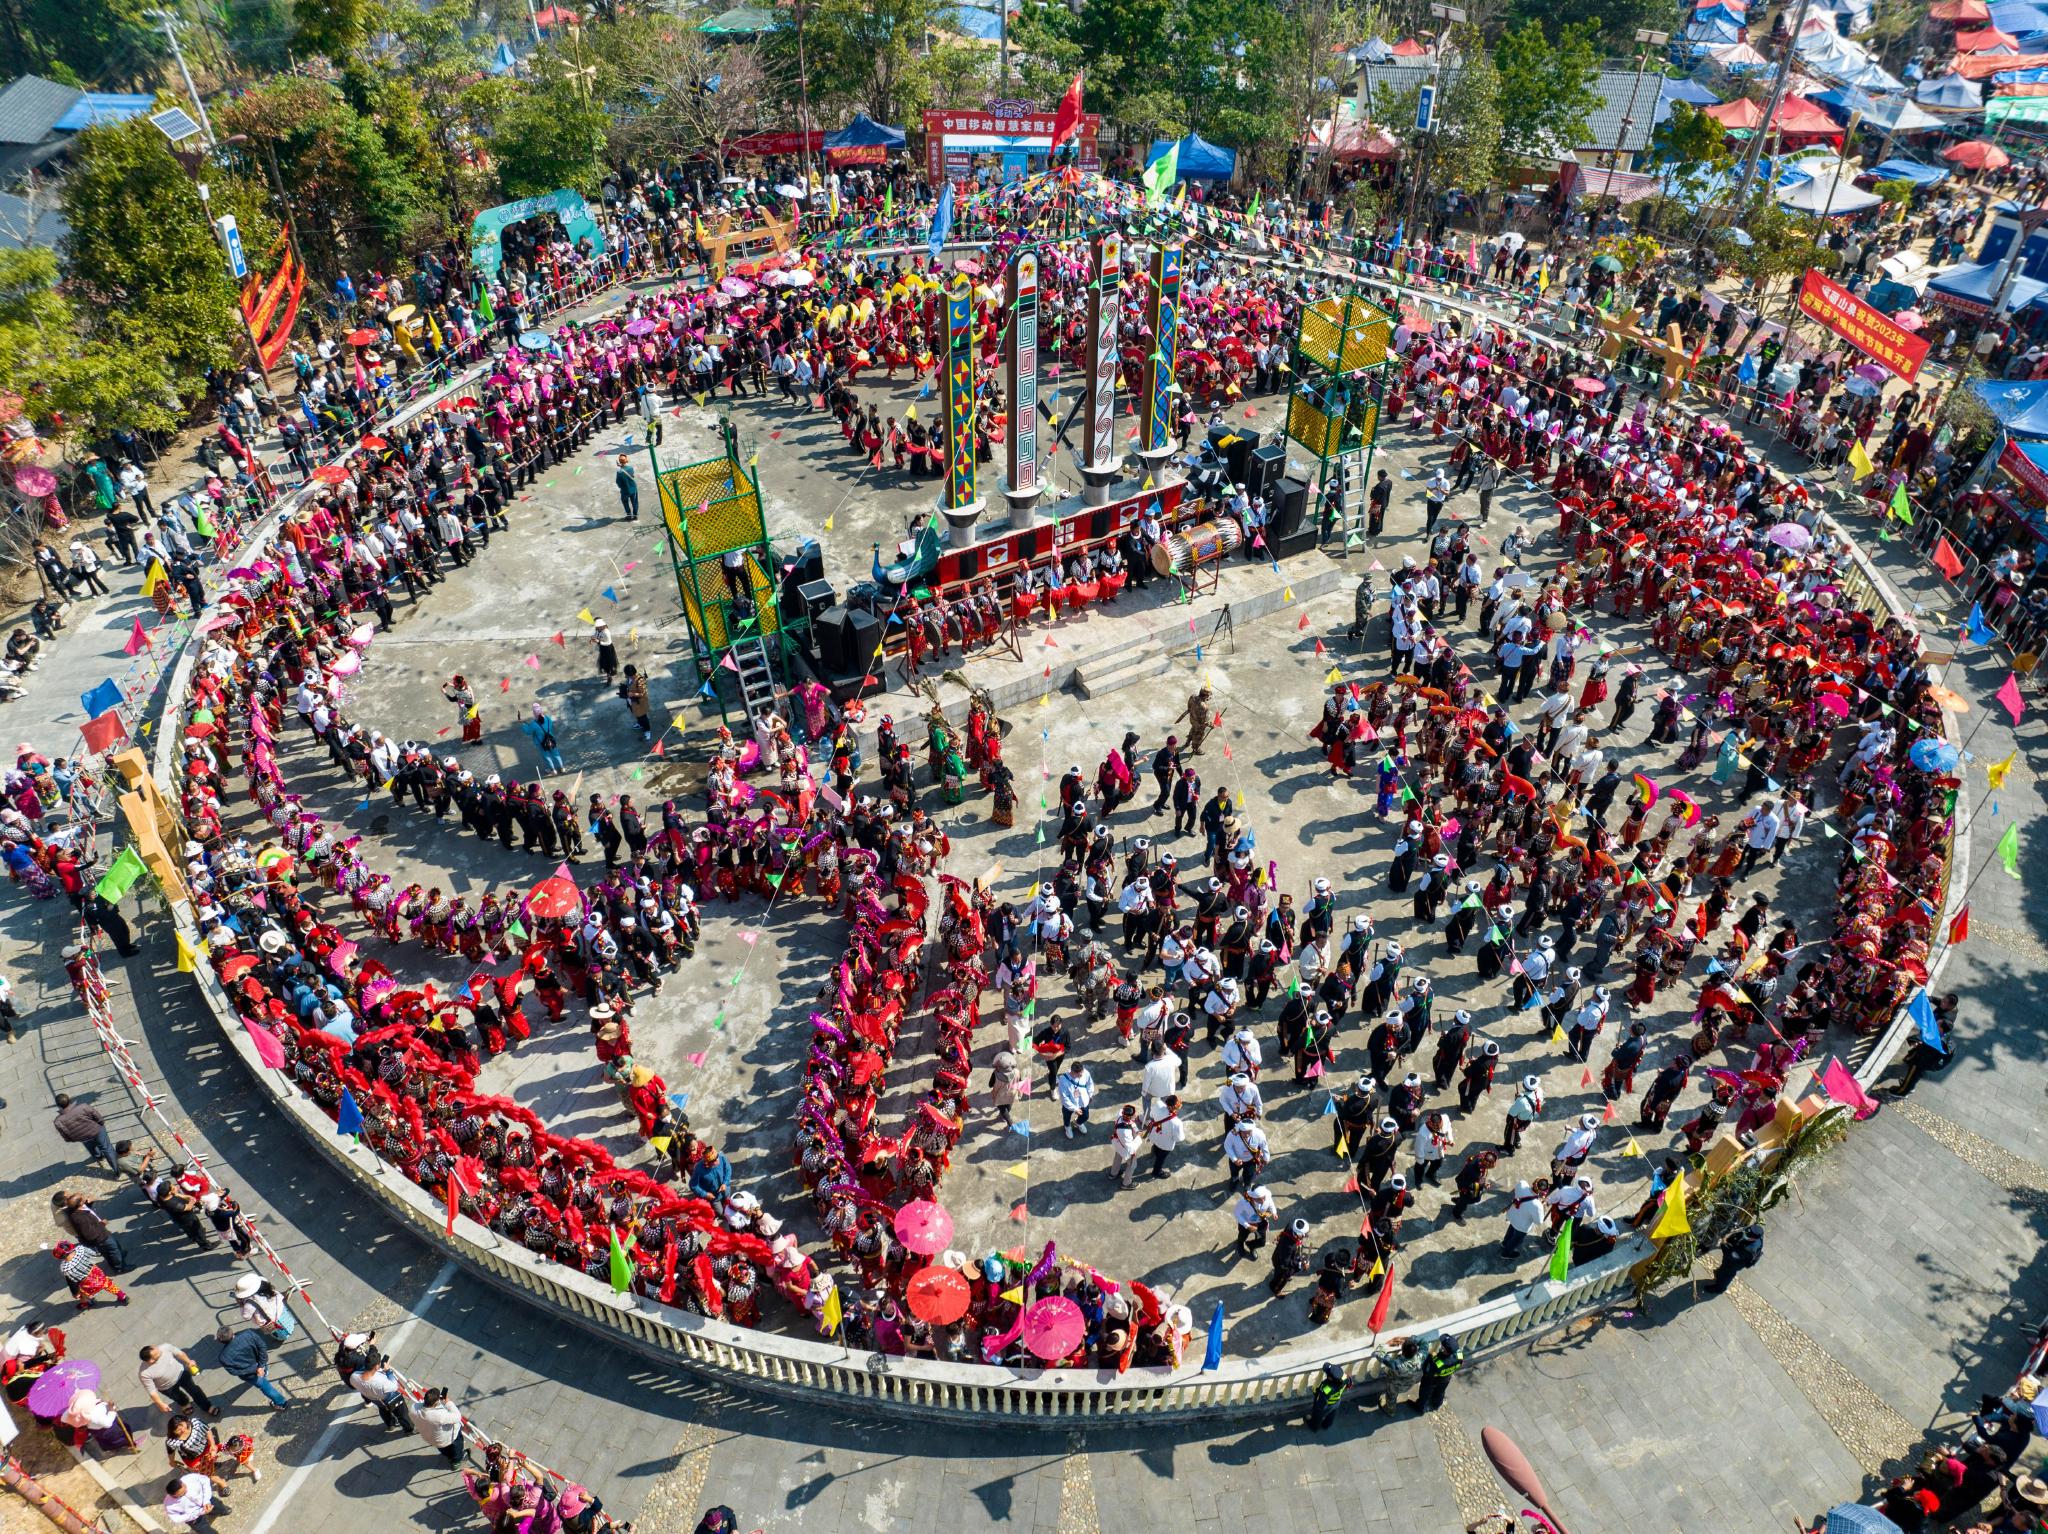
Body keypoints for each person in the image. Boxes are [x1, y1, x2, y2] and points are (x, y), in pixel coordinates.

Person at [214, 1325, 289, 1409]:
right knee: (264, 1380)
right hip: (261, 1364)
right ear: (231, 1332)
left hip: (250, 1375)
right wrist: (260, 1366)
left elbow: (234, 1372)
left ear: (221, 1341)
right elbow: (262, 1347)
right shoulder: (248, 1334)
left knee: (266, 1387)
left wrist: (256, 1369)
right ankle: (265, 1373)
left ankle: (282, 1403)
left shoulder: (223, 1357)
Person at [139, 1343, 218, 1419]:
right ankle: (185, 1403)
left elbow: (179, 1353)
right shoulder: (144, 1373)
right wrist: (160, 1404)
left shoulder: (165, 1347)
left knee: (194, 1390)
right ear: (151, 1361)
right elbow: (152, 1391)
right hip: (167, 1387)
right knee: (178, 1397)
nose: (160, 1350)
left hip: (182, 1374)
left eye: (156, 1348)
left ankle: (207, 1406)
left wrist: (188, 1361)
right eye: (157, 1353)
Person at [52, 1093, 118, 1172]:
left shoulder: (58, 1121)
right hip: (97, 1131)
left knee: (91, 1147)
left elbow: (65, 1136)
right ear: (70, 1100)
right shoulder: (83, 1107)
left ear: (58, 1105)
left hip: (82, 1137)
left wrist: (74, 1139)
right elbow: (98, 1117)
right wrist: (101, 1124)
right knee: (107, 1149)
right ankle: (116, 1169)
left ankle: (98, 1157)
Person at [414, 1386, 468, 1466]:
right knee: (456, 1449)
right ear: (436, 1403)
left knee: (444, 1449)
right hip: (450, 1437)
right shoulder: (439, 1416)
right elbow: (457, 1417)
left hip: (434, 1439)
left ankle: (449, 1455)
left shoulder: (415, 1408)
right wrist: (448, 1402)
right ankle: (456, 1462)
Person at [1707, 1223, 1764, 1293]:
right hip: (1736, 1257)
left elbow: (1731, 1254)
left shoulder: (1749, 1249)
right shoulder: (1754, 1233)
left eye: (1747, 1235)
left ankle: (1719, 1289)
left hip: (1736, 1262)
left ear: (1753, 1239)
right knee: (1724, 1268)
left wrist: (1723, 1244)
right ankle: (1719, 1274)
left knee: (1727, 1274)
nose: (1745, 1234)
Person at [1415, 1334, 1462, 1412]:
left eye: (1442, 1344)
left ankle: (1420, 1407)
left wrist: (1431, 1356)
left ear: (1444, 1349)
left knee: (1425, 1393)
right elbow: (1460, 1364)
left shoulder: (1437, 1361)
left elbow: (1428, 1372)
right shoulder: (1460, 1355)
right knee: (1440, 1392)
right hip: (1446, 1378)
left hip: (1433, 1380)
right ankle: (1436, 1404)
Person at [1057, 1058, 1095, 1138]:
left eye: (1082, 1072)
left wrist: (1090, 1095)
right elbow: (1064, 1098)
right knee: (1067, 1117)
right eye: (1079, 1074)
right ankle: (1067, 1127)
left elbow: (1089, 1084)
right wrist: (1075, 1109)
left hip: (1083, 1101)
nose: (1081, 1075)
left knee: (1085, 1116)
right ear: (1072, 1072)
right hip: (1070, 1104)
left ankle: (1078, 1123)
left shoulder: (1085, 1073)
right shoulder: (1063, 1080)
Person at [1306, 1361, 1348, 1430]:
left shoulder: (1327, 1389)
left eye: (1327, 1373)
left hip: (1327, 1405)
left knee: (1317, 1416)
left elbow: (1321, 1404)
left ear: (1330, 1378)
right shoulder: (1344, 1377)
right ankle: (1326, 1425)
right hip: (1337, 1402)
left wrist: (1317, 1409)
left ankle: (1314, 1427)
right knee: (1331, 1414)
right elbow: (1349, 1384)